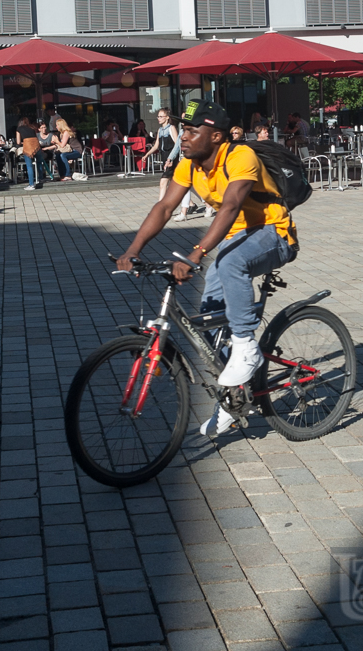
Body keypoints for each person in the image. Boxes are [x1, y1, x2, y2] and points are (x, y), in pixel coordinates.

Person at [117, 102, 297, 438]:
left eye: (190, 132)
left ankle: (246, 347)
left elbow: (230, 207)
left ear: (215, 136)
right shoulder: (191, 164)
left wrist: (195, 254)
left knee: (230, 263)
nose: (182, 138)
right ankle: (234, 398)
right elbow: (165, 206)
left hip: (274, 233)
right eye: (182, 131)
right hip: (234, 238)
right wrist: (132, 250)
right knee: (210, 318)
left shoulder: (240, 157)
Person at [16, 116, 43, 190]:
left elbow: (18, 142)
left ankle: (31, 184)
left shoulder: (19, 129)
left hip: (28, 146)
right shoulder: (32, 128)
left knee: (29, 166)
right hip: (36, 145)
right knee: (39, 162)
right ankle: (41, 179)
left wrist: (23, 142)